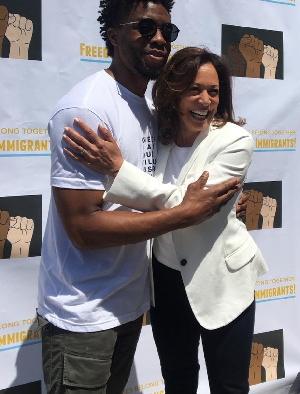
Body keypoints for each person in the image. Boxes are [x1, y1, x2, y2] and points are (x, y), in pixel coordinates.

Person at [37, 0, 243, 394]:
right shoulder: (88, 109)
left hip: (129, 306)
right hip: (84, 316)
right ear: (114, 36)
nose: (160, 38)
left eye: (168, 31)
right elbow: (82, 228)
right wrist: (184, 213)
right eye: (145, 28)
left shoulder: (149, 111)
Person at [63, 47, 268, 394]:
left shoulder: (235, 140)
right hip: (166, 281)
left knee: (229, 386)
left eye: (214, 91)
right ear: (174, 93)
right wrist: (177, 202)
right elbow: (181, 203)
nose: (205, 100)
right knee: (178, 379)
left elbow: (192, 209)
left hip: (223, 279)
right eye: (194, 89)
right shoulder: (159, 136)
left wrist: (118, 170)